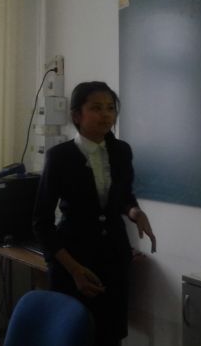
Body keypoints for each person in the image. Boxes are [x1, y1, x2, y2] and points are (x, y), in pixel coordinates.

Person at [33, 81, 156, 346]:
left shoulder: (121, 151)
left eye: (110, 108)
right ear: (77, 115)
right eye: (96, 108)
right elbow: (41, 223)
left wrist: (135, 212)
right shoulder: (59, 156)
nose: (106, 115)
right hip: (72, 257)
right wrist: (74, 269)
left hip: (113, 256)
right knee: (72, 335)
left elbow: (123, 196)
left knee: (109, 335)